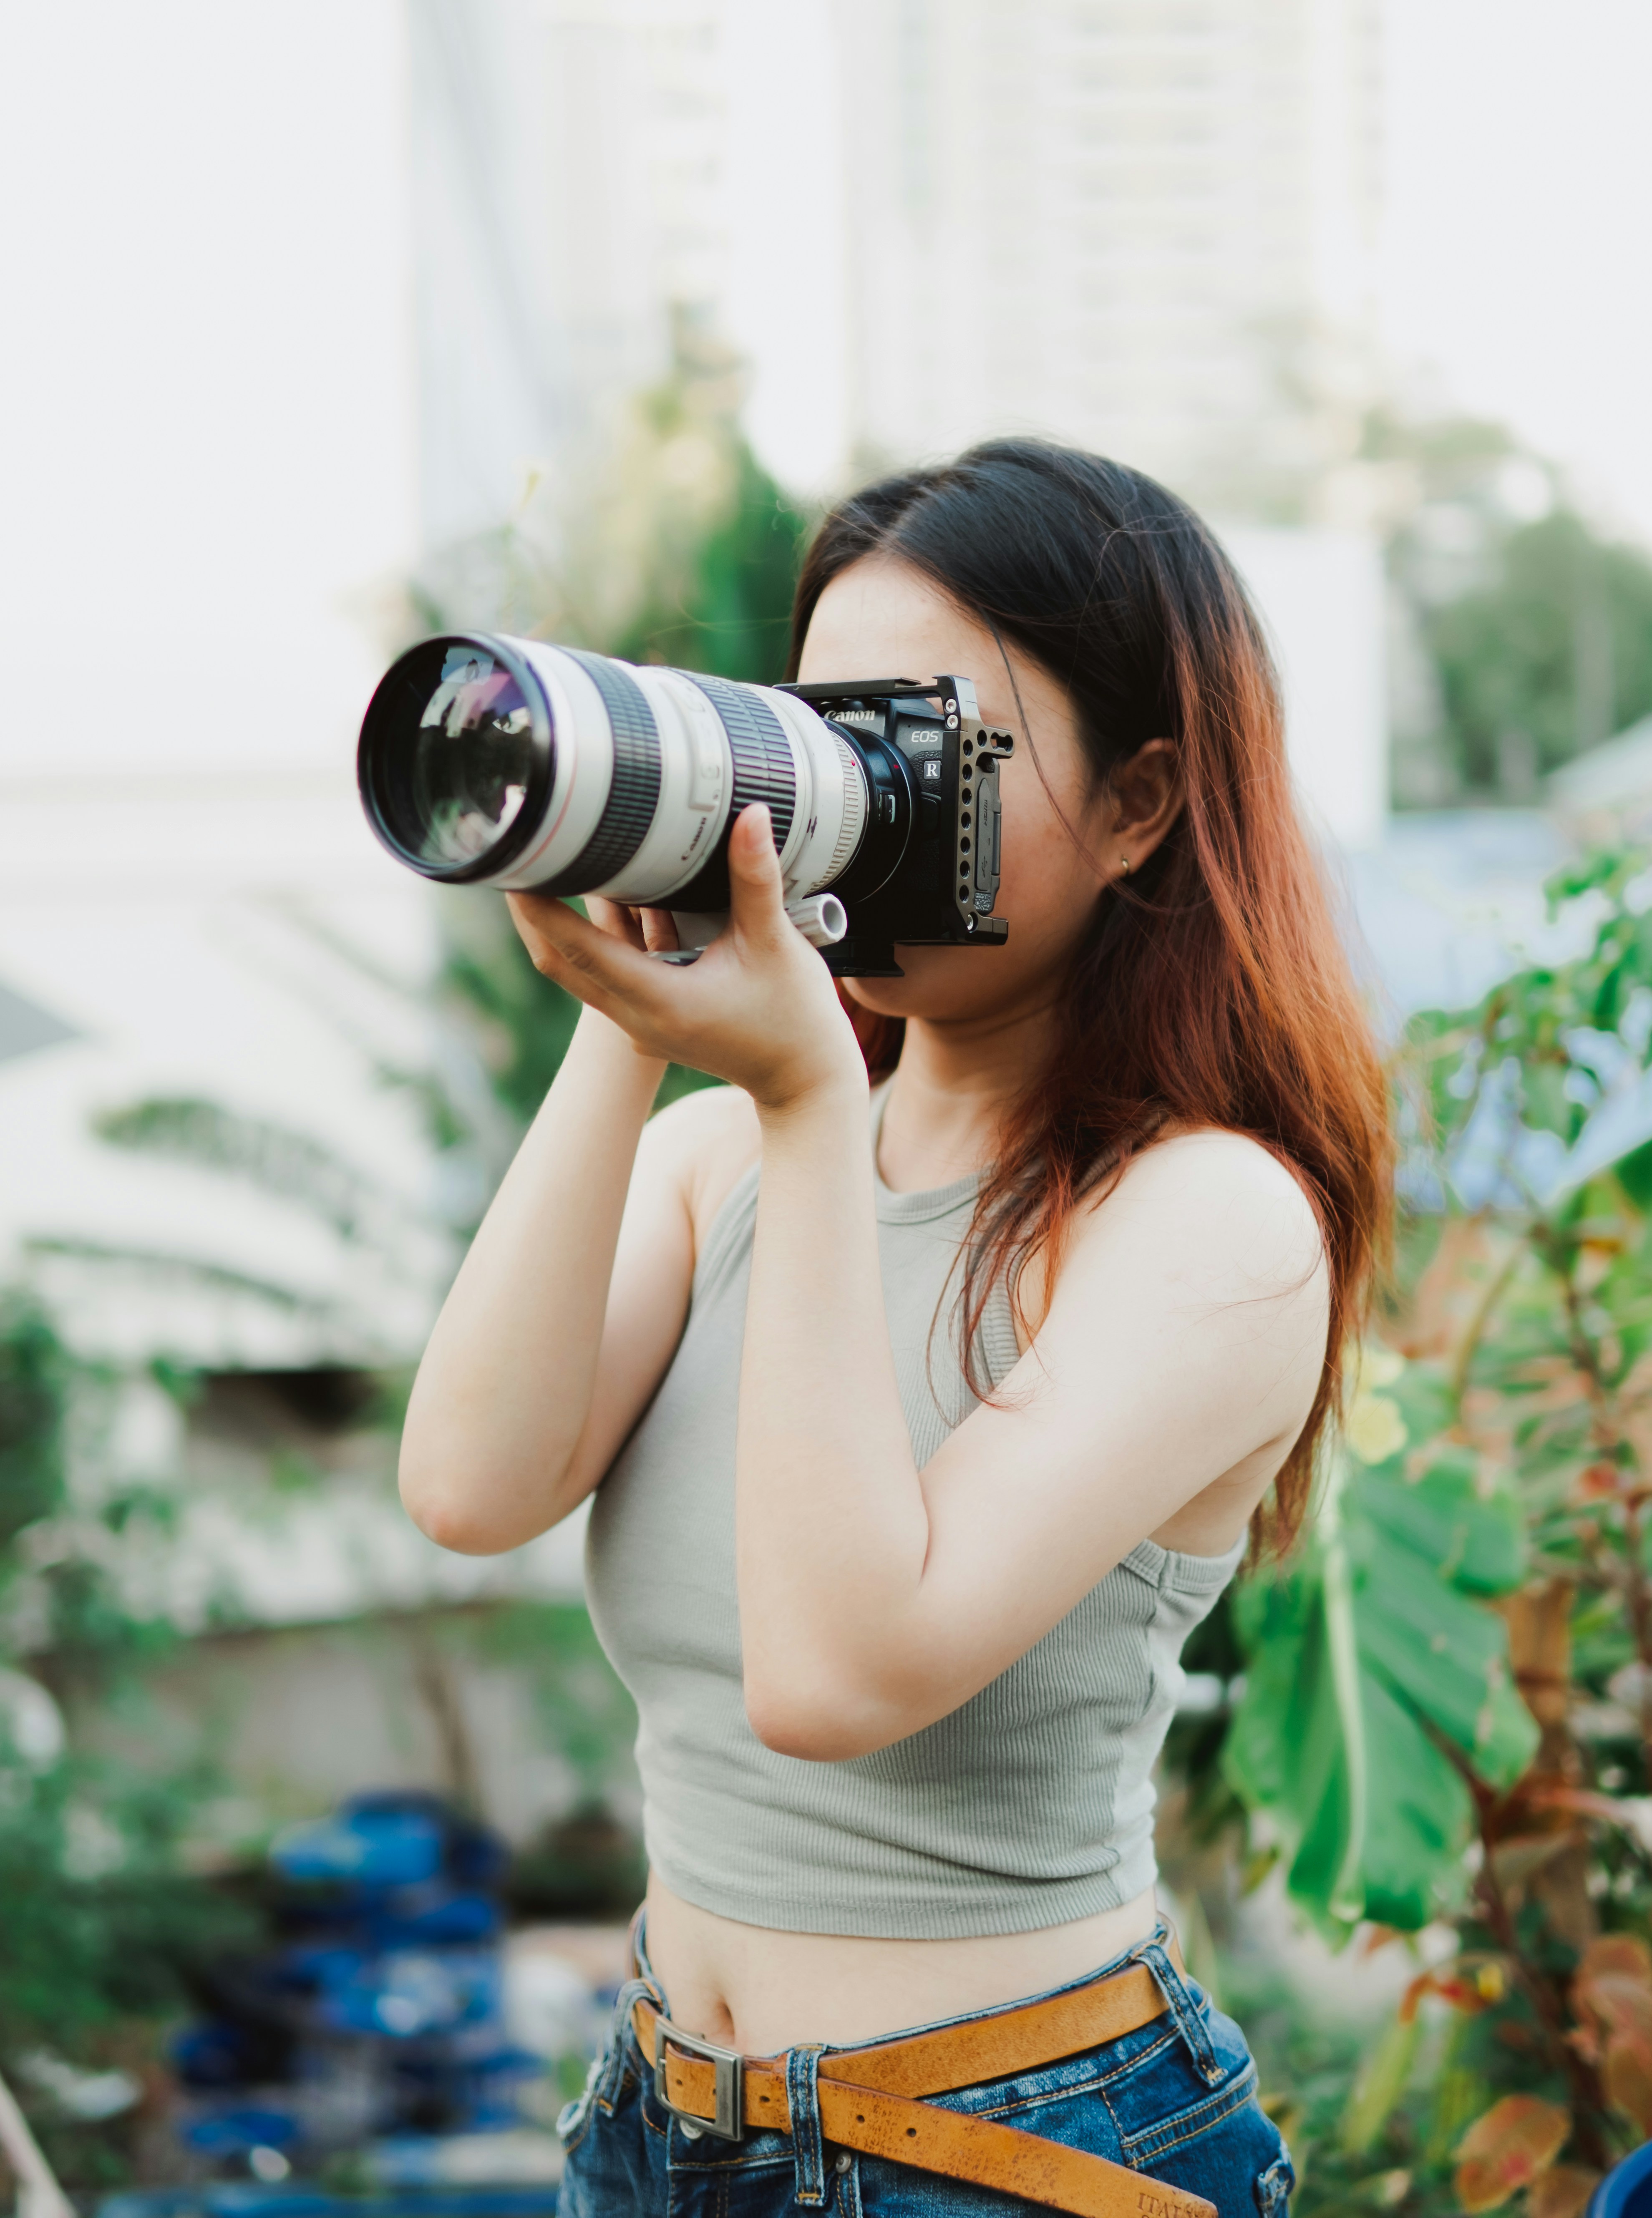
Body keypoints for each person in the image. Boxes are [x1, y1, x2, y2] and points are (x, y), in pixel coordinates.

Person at [398, 440, 1390, 2217]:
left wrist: (798, 1094)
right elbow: (472, 1481)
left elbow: (837, 1674)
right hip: (656, 2123)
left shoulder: (1209, 1220)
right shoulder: (722, 1157)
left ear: (1145, 799)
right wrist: (632, 1000)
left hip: (1014, 2152)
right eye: (820, 740)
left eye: (927, 746)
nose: (849, 808)